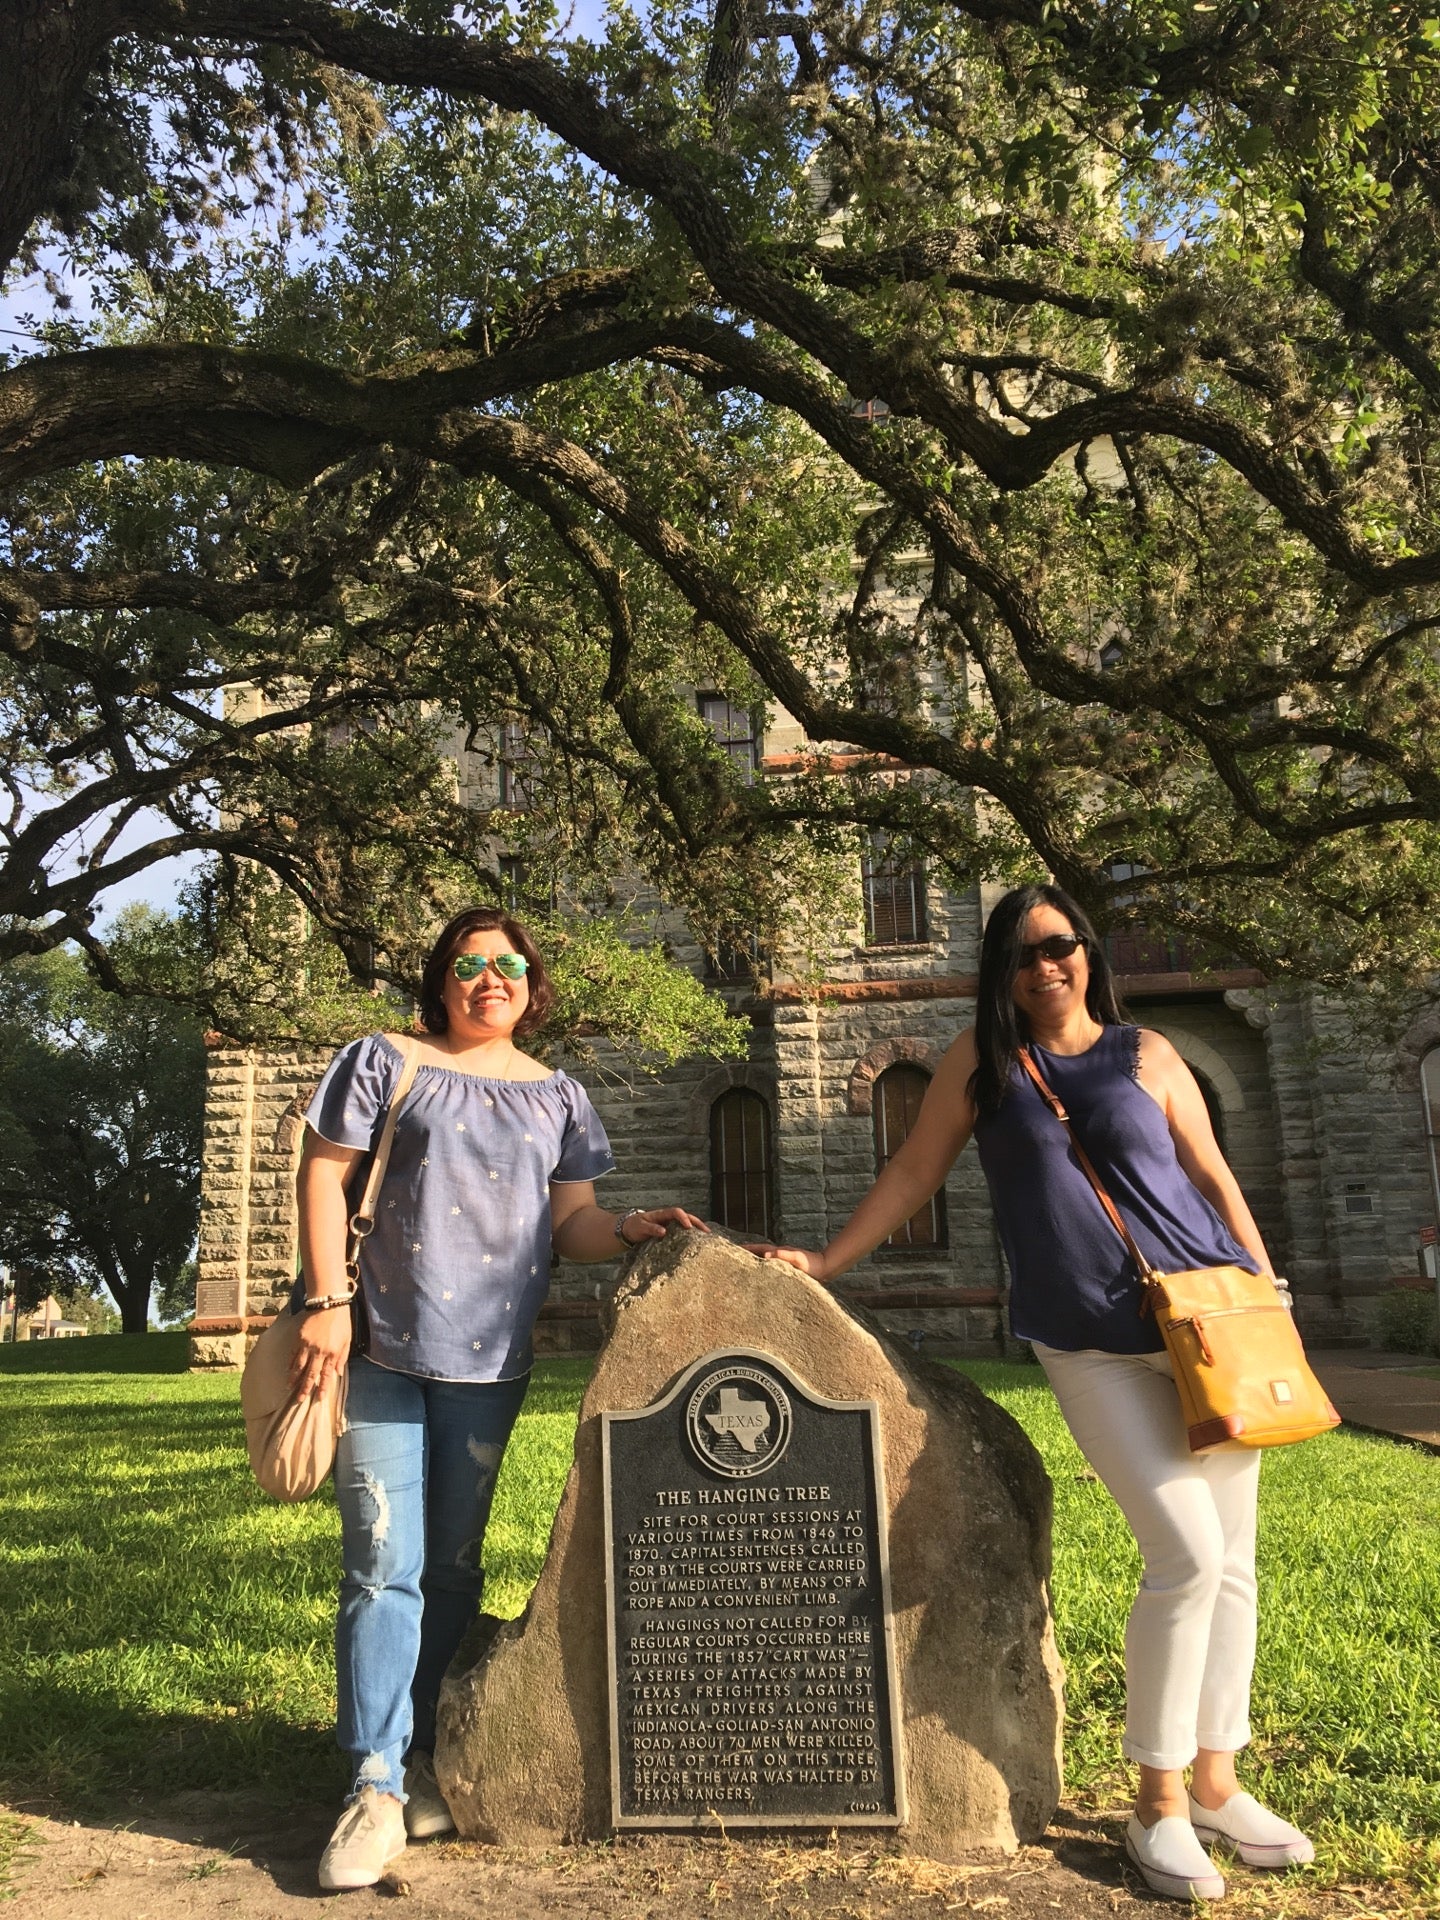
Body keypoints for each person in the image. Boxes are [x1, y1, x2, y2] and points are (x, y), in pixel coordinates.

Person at [757, 883, 1314, 1903]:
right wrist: (827, 1260)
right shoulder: (987, 1062)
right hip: (1088, 1342)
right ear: (1001, 976)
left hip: (1205, 1322)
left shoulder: (1149, 1056)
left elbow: (1212, 1175)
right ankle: (1156, 1806)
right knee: (1184, 1556)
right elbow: (915, 1170)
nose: (1044, 967)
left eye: (1059, 946)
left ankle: (1219, 1782)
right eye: (1020, 956)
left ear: (1088, 953)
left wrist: (1262, 1290)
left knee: (1232, 1565)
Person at [293, 906, 706, 1891]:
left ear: (531, 982)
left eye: (509, 963)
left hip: (491, 1367)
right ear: (441, 979)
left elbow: (573, 1225)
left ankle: (429, 1754)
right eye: (470, 963)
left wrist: (630, 1226)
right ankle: (372, 1783)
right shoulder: (385, 1060)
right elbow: (324, 1173)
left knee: (451, 1568)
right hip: (382, 1348)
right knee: (381, 1562)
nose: (490, 977)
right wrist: (324, 1301)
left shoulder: (557, 1095)